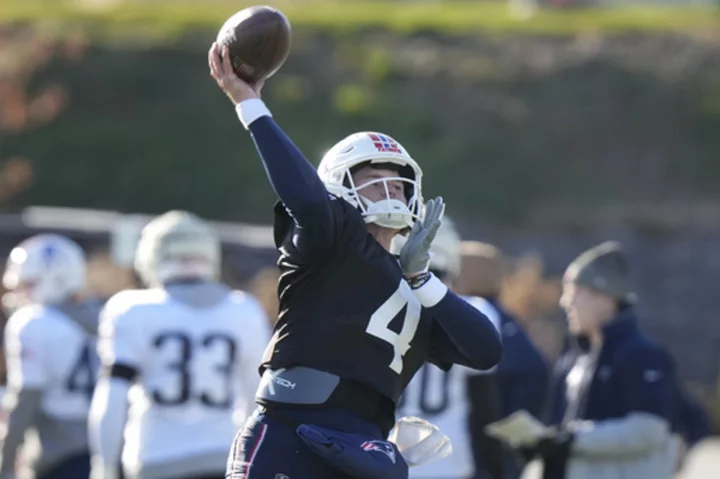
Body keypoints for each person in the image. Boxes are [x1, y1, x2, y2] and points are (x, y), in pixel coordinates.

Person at [208, 43, 503, 479]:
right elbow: (306, 197)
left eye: (397, 184)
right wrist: (250, 104)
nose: (389, 192)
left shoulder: (416, 284)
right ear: (338, 188)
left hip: (362, 453)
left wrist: (421, 279)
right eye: (371, 180)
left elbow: (486, 350)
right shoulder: (332, 239)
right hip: (290, 434)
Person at [88, 211, 271, 479]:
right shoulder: (244, 310)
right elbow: (256, 402)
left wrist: (103, 466)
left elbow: (112, 397)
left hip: (155, 459)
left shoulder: (131, 309)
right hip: (223, 458)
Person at [396, 223, 547, 479]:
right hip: (448, 461)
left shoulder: (379, 307)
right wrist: (496, 467)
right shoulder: (477, 310)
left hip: (388, 459)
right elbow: (484, 404)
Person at [519, 241, 678, 479]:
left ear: (605, 297)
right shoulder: (573, 356)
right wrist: (541, 444)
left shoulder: (642, 354)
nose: (565, 302)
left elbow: (649, 430)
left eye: (574, 292)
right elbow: (561, 432)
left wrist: (572, 438)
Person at [0, 234, 101, 479]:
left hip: (60, 451)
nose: (18, 295)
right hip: (108, 446)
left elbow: (25, 401)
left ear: (49, 281)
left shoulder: (33, 323)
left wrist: (5, 463)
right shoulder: (105, 316)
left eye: (27, 285)